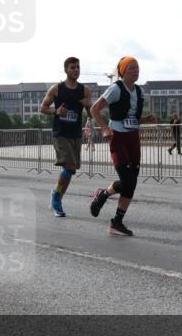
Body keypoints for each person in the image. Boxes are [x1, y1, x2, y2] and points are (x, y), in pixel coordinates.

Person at [89, 56, 155, 236]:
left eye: (137, 68)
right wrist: (104, 128)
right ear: (122, 71)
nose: (136, 71)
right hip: (118, 138)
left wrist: (145, 120)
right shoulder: (115, 89)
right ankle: (102, 195)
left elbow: (131, 117)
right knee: (127, 180)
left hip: (133, 138)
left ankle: (117, 222)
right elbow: (94, 109)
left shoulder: (139, 91)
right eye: (131, 68)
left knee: (131, 184)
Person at [40, 57, 92, 217]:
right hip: (60, 133)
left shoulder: (85, 90)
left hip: (75, 134)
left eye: (78, 67)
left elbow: (91, 114)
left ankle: (57, 196)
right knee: (69, 166)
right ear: (66, 70)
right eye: (73, 67)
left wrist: (87, 105)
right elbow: (43, 108)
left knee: (70, 170)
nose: (76, 70)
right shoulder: (56, 89)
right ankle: (56, 197)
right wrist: (56, 111)